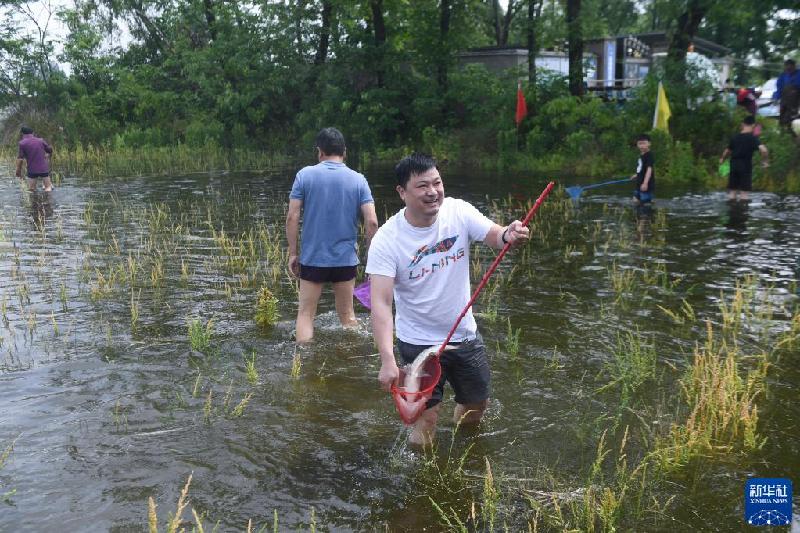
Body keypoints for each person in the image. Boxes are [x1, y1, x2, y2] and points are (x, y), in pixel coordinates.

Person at [366, 153, 529, 446]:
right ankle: (422, 478)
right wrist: (388, 360)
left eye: (437, 182)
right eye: (422, 186)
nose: (433, 192)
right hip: (418, 342)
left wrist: (509, 234)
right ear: (402, 193)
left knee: (476, 407)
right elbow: (380, 303)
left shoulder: (458, 212)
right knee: (426, 419)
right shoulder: (387, 240)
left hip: (464, 335)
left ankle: (463, 454)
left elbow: (495, 235)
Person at [286, 127, 378, 343]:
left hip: (313, 258)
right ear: (344, 151)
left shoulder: (304, 175)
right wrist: (370, 258)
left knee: (306, 314)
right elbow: (372, 221)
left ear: (319, 152)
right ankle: (353, 355)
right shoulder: (359, 180)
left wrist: (293, 252)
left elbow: (292, 216)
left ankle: (304, 362)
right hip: (345, 259)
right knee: (347, 316)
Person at [719, 116, 769, 202]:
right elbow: (764, 150)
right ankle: (743, 213)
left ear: (743, 124)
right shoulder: (753, 138)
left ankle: (732, 212)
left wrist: (722, 159)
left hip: (733, 166)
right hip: (745, 167)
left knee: (732, 192)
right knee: (744, 193)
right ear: (753, 125)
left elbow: (727, 151)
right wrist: (765, 161)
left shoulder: (735, 137)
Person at [16, 126, 53, 192]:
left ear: (22, 134)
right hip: (43, 169)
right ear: (33, 133)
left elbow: (20, 159)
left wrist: (18, 171)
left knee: (31, 190)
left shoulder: (22, 143)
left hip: (32, 170)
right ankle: (48, 201)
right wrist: (48, 155)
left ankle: (33, 201)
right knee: (48, 188)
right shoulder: (40, 140)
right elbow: (50, 150)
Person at [774, 59, 800, 133]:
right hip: (784, 100)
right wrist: (776, 97)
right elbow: (779, 88)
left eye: (790, 66)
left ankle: (790, 134)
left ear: (794, 66)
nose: (788, 68)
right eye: (786, 66)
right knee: (782, 118)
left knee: (790, 118)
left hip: (794, 101)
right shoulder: (783, 76)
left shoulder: (799, 74)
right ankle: (784, 133)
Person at [629, 134, 654, 205]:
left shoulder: (649, 155)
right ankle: (649, 201)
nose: (642, 146)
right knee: (635, 199)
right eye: (640, 143)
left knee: (645, 204)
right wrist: (636, 175)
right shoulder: (642, 155)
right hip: (639, 183)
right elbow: (642, 169)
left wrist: (645, 183)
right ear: (637, 145)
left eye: (644, 143)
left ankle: (648, 213)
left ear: (649, 143)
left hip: (646, 184)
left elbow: (649, 170)